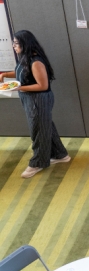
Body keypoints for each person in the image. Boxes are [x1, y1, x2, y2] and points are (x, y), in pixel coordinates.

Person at [0, 31, 69, 178]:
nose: (13, 46)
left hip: (39, 99)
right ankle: (60, 155)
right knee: (45, 126)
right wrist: (5, 74)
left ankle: (37, 162)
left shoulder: (36, 61)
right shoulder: (25, 57)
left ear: (25, 44)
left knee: (38, 131)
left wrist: (18, 88)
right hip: (29, 98)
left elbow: (42, 86)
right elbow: (22, 72)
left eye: (16, 43)